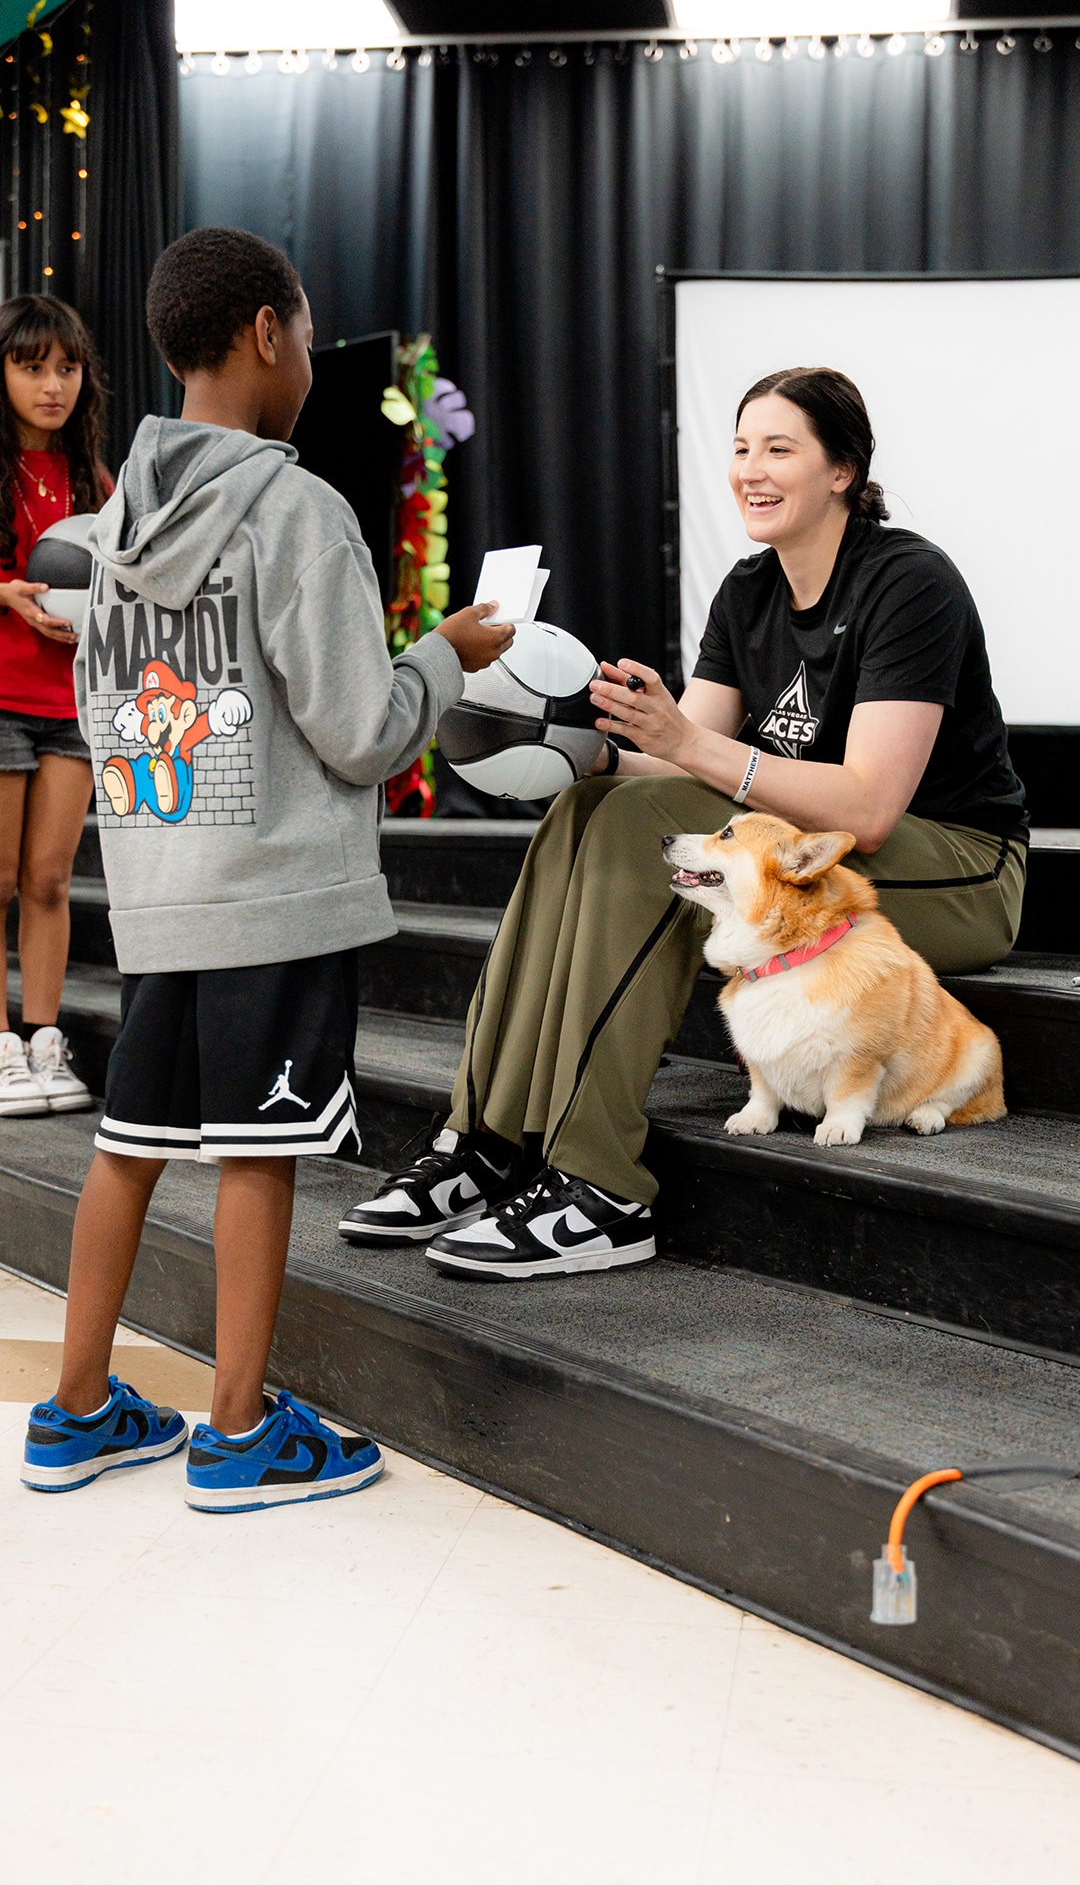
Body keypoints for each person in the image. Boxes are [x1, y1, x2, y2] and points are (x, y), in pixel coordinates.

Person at [20, 226, 511, 1511]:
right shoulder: (299, 510)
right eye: (302, 328)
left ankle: (74, 1413)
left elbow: (114, 710)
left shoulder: (109, 523)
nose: (306, 354)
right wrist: (447, 652)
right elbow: (364, 730)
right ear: (266, 334)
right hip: (277, 899)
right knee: (258, 1155)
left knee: (127, 1146)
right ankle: (237, 1434)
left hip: (161, 891)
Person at [341, 366, 1028, 1280]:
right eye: (741, 448)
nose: (751, 468)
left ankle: (602, 1185)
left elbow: (866, 806)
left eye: (779, 448)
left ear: (843, 470)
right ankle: (487, 1138)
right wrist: (589, 753)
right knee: (595, 806)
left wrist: (689, 749)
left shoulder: (909, 582)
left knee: (652, 827)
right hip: (805, 848)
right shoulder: (748, 590)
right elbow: (674, 757)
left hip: (958, 866)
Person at [0, 295, 112, 1118]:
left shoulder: (93, 481)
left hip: (70, 704)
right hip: (1, 697)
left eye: (66, 367)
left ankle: (44, 1037)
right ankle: (1, 1047)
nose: (52, 385)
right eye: (32, 366)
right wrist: (7, 592)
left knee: (47, 878)